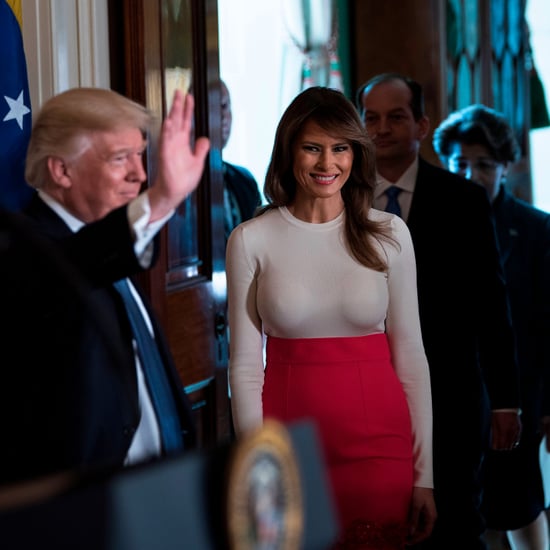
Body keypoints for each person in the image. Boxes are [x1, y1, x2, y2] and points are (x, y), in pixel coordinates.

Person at [226, 86, 437, 549]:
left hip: (380, 451)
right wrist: (259, 471)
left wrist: (426, 475)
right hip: (287, 450)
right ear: (289, 152)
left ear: (355, 153)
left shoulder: (390, 234)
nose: (327, 164)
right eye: (312, 148)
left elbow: (411, 358)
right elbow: (243, 369)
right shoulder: (250, 239)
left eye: (340, 148)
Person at [0, 87, 210, 486]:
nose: (141, 174)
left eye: (140, 154)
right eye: (120, 158)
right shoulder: (26, 253)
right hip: (86, 513)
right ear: (62, 171)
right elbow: (72, 266)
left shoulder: (114, 250)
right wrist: (161, 201)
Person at [355, 73, 523, 550]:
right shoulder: (341, 200)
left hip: (451, 394)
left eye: (396, 117)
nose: (382, 128)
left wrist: (506, 399)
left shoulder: (463, 200)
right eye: (371, 117)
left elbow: (492, 305)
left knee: (453, 525)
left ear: (422, 125)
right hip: (366, 394)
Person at [433, 103, 550, 550]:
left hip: (518, 391)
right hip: (454, 391)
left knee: (521, 501)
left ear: (504, 166)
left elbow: (546, 324)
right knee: (465, 506)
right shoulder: (434, 224)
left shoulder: (536, 230)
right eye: (459, 164)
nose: (469, 174)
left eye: (483, 164)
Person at [220, 79, 262, 241]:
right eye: (212, 107)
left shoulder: (245, 179)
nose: (222, 116)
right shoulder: (182, 186)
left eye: (224, 106)